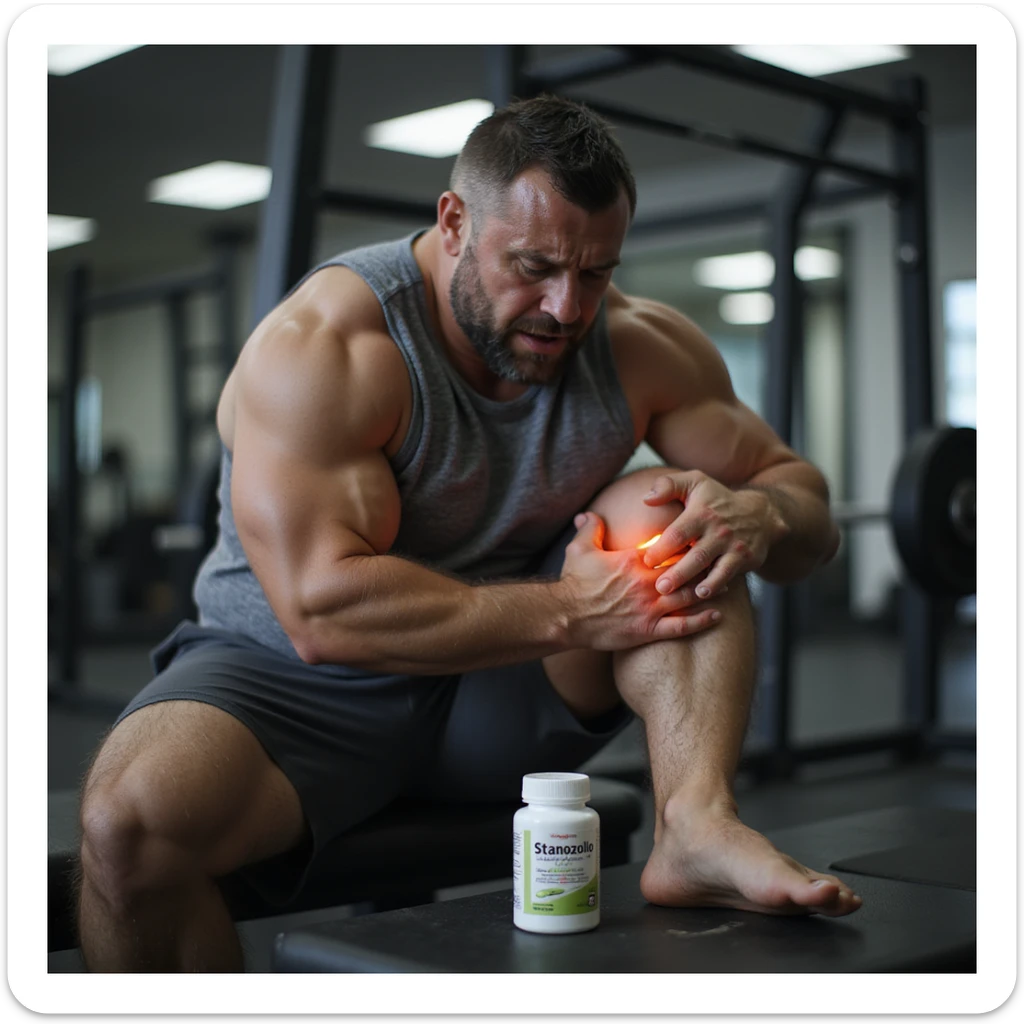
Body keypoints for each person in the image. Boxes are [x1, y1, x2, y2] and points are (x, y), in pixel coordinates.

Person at [76, 95, 857, 973]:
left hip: (506, 690)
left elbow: (807, 511)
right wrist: (570, 606)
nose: (566, 308)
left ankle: (698, 825)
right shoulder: (329, 346)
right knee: (128, 829)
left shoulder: (638, 345)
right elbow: (322, 614)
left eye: (595, 274)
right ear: (454, 223)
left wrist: (764, 513)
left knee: (674, 508)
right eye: (534, 266)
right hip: (291, 688)